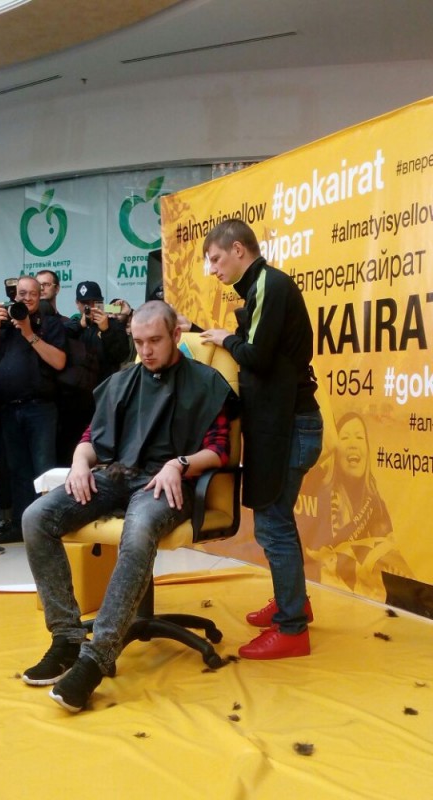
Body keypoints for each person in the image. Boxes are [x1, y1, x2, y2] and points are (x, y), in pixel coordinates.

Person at [21, 300, 236, 712]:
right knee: (36, 517)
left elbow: (221, 449)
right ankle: (67, 638)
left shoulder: (206, 384)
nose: (146, 350)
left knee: (137, 533)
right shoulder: (122, 383)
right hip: (115, 475)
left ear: (176, 335)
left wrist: (179, 464)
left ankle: (96, 658)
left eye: (155, 340)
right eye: (138, 342)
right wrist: (80, 464)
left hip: (167, 482)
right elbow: (91, 437)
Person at [200, 219, 323, 660]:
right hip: (286, 424)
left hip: (291, 426)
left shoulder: (269, 283)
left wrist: (225, 339)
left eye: (216, 259)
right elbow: (257, 350)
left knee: (272, 524)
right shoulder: (259, 288)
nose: (213, 269)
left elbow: (256, 355)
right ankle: (295, 603)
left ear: (238, 249)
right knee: (278, 521)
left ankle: (292, 628)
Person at [0, 276, 67, 543]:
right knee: (17, 471)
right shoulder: (5, 326)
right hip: (9, 409)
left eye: (32, 294)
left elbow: (60, 362)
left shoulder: (50, 324)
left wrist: (29, 333)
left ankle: (48, 529)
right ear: (14, 295)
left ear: (40, 296)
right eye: (21, 293)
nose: (26, 298)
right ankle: (21, 526)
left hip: (40, 409)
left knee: (44, 471)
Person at [303, 412, 413, 599]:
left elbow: (388, 550)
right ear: (335, 452)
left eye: (359, 437)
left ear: (367, 450)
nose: (353, 444)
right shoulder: (319, 485)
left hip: (359, 596)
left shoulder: (375, 502)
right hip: (319, 589)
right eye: (345, 438)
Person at [56, 281, 130, 465]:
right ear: (77, 304)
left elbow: (120, 354)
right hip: (75, 401)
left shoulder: (113, 325)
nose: (89, 308)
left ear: (101, 303)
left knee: (102, 450)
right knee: (71, 451)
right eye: (84, 303)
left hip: (104, 398)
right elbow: (58, 339)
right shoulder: (73, 325)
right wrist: (80, 325)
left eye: (94, 303)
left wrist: (106, 329)